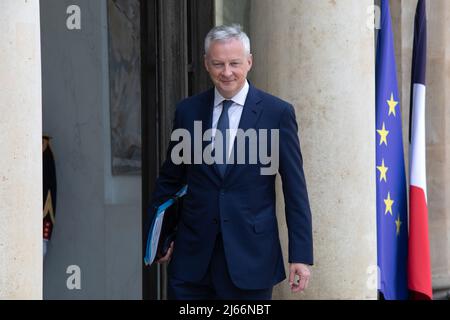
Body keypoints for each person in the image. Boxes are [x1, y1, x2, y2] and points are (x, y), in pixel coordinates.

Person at [151, 24, 313, 300]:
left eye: (234, 63)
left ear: (249, 62)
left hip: (252, 259)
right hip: (192, 262)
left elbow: (294, 189)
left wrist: (301, 255)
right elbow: (171, 179)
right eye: (218, 64)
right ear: (206, 64)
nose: (227, 72)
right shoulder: (188, 112)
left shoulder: (277, 113)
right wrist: (160, 237)